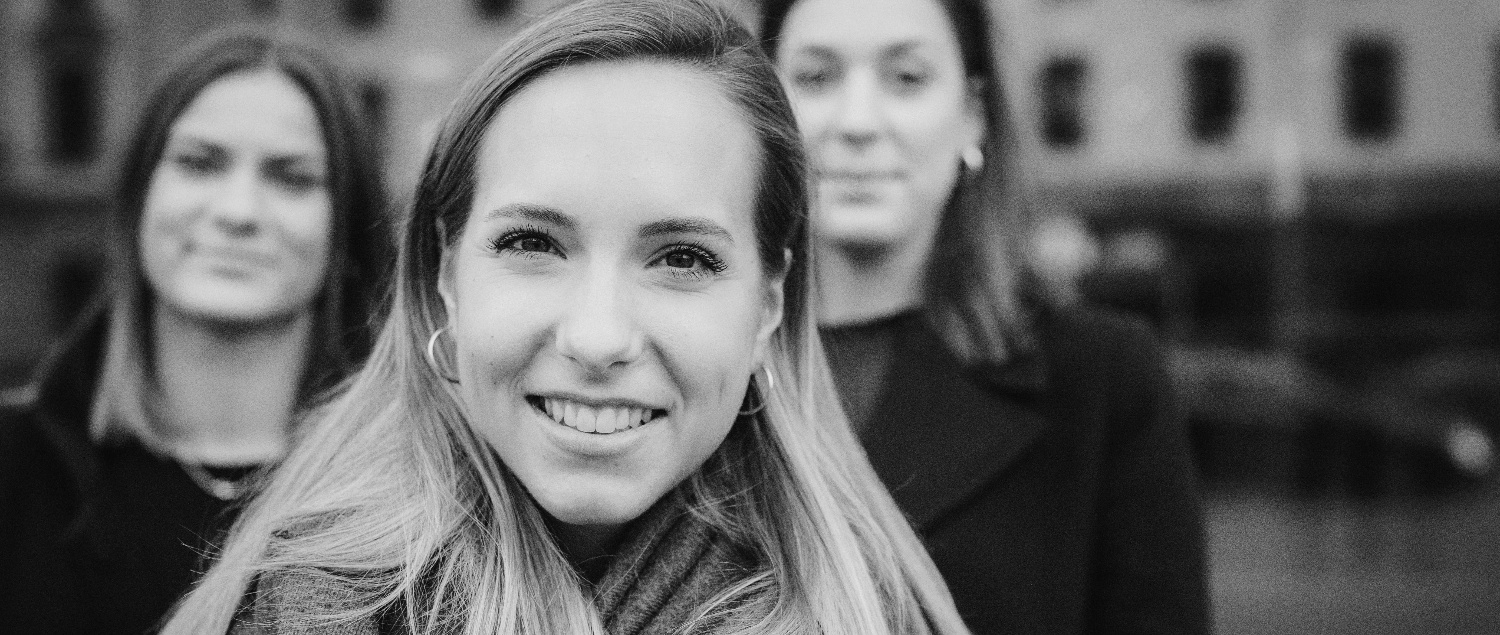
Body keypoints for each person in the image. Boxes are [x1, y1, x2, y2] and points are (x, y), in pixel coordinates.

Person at [162, 1, 971, 633]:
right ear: (445, 274)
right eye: (532, 243)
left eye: (682, 258)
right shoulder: (296, 602)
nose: (596, 337)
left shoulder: (881, 610)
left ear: (768, 304)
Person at [759, 0, 1212, 632]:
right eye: (816, 77)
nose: (857, 121)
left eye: (906, 78)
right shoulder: (706, 368)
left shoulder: (1100, 379)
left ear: (973, 113)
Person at [0, 27, 388, 635]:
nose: (238, 212)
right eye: (199, 163)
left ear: (345, 227)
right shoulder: (15, 468)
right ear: (139, 199)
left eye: (291, 178)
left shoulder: (415, 498)